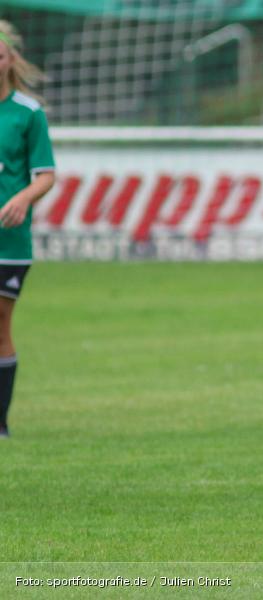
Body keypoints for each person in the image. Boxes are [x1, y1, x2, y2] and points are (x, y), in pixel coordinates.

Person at [0, 21, 56, 438]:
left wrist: (21, 198)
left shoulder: (28, 113)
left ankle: (0, 423)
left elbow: (46, 175)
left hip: (10, 241)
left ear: (10, 61)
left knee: (0, 323)